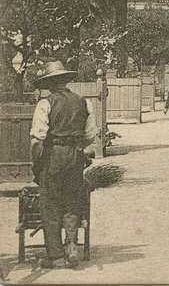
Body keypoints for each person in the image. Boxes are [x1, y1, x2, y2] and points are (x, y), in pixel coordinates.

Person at [29, 59, 97, 269]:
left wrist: (36, 164)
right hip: (75, 157)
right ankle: (71, 246)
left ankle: (57, 256)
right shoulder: (83, 101)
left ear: (49, 83)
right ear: (65, 80)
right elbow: (90, 135)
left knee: (50, 205)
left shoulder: (45, 103)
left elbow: (37, 139)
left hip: (53, 157)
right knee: (71, 201)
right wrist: (78, 148)